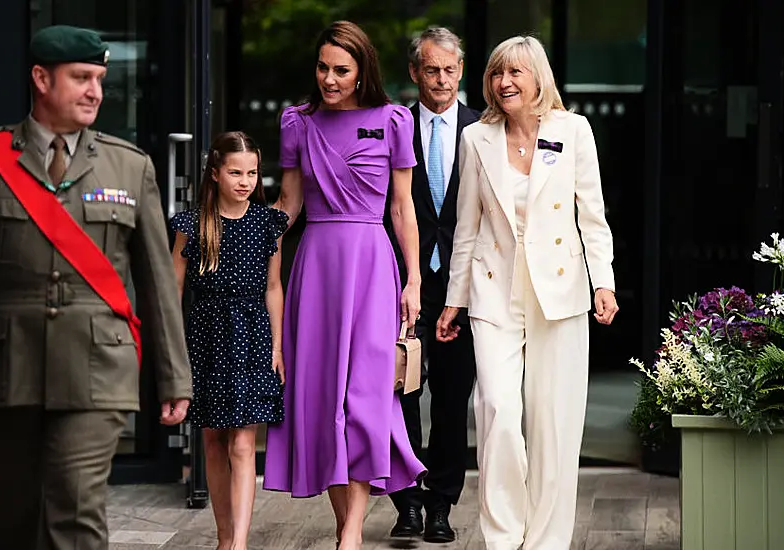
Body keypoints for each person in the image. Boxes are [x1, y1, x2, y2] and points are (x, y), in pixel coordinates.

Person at [0, 25, 192, 550]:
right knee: (13, 516)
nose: (96, 91)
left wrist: (173, 376)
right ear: (41, 79)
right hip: (5, 366)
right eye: (82, 78)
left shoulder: (129, 166)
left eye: (100, 79)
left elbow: (158, 280)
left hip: (98, 367)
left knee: (74, 509)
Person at [436, 36, 619, 550]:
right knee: (497, 410)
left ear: (539, 78)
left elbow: (593, 219)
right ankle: (502, 536)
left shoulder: (574, 130)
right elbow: (466, 228)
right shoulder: (477, 137)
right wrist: (455, 299)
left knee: (554, 424)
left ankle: (546, 541)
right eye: (497, 73)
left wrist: (602, 282)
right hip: (494, 293)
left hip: (559, 293)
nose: (504, 82)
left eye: (515, 72)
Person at [263, 20, 427, 550]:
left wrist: (414, 278)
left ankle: (351, 533)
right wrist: (240, 236)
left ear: (362, 73)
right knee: (322, 398)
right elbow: (289, 204)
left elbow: (403, 208)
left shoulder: (393, 120)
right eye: (322, 68)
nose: (329, 79)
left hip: (374, 267)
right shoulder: (298, 121)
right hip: (316, 267)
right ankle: (346, 527)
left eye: (341, 70)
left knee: (365, 398)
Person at [169, 131, 288, 550]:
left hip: (252, 336)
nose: (245, 181)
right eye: (236, 172)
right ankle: (223, 538)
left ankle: (238, 543)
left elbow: (274, 287)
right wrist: (173, 355)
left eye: (253, 172)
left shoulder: (268, 224)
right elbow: (173, 291)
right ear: (216, 172)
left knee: (242, 440)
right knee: (212, 438)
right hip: (205, 338)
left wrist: (277, 346)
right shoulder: (193, 224)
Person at [384, 26, 480, 544]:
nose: (441, 79)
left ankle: (442, 502)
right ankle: (408, 502)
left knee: (450, 397)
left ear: (460, 71)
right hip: (402, 281)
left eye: (449, 69)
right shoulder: (394, 125)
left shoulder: (482, 128)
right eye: (430, 69)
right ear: (414, 72)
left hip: (463, 287)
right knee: (400, 392)